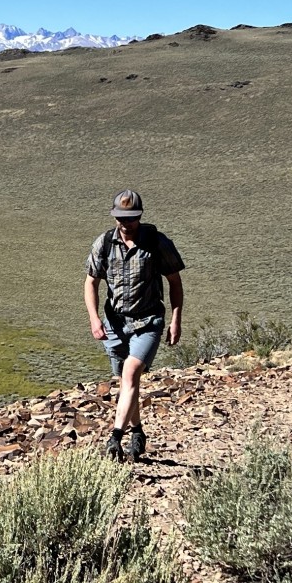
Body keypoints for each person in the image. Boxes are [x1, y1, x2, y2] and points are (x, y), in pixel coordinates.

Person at [83, 189, 185, 461]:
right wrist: (94, 318)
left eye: (130, 217)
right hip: (115, 323)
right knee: (127, 381)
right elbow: (91, 282)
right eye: (120, 217)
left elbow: (175, 282)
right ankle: (137, 431)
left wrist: (175, 319)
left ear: (140, 216)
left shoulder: (157, 243)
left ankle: (115, 437)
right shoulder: (105, 243)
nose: (125, 223)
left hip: (148, 322)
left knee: (130, 374)